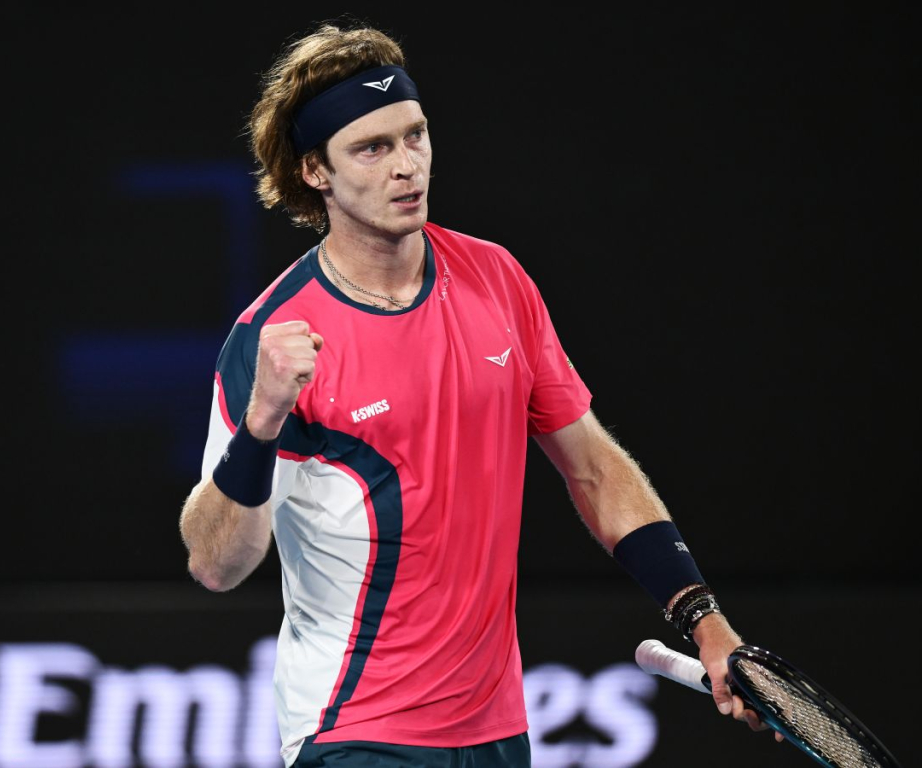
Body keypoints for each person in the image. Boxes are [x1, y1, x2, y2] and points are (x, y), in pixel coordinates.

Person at [178, 20, 779, 767]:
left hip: (496, 731)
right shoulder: (269, 337)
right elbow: (215, 563)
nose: (408, 166)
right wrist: (262, 420)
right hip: (354, 728)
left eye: (415, 135)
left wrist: (706, 622)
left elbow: (594, 469)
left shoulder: (498, 280)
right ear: (315, 171)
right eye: (372, 148)